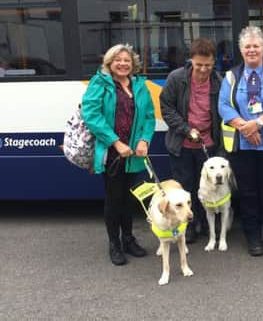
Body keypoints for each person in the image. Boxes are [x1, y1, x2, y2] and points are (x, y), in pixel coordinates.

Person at [218, 25, 263, 257]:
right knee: (247, 192)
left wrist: (257, 124)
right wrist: (246, 128)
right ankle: (252, 237)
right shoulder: (231, 76)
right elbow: (223, 106)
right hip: (242, 146)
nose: (251, 50)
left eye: (256, 46)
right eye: (247, 46)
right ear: (241, 50)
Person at [82, 44, 156, 266]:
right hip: (113, 153)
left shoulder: (140, 85)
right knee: (114, 200)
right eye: (118, 60)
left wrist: (145, 139)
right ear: (109, 63)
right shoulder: (99, 84)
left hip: (134, 154)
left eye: (127, 60)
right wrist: (116, 142)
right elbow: (91, 114)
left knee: (129, 199)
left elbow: (149, 117)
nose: (123, 63)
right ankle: (114, 244)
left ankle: (129, 239)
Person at [159, 38, 223, 244]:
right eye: (199, 65)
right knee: (185, 187)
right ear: (191, 61)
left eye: (208, 65)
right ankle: (187, 228)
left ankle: (205, 224)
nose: (203, 70)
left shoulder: (219, 82)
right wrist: (186, 130)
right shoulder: (176, 78)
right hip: (182, 145)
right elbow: (166, 107)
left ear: (214, 63)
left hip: (208, 144)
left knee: (206, 187)